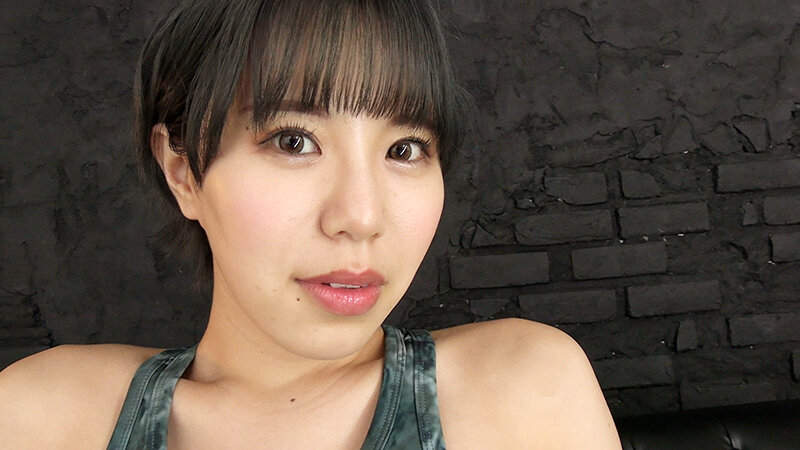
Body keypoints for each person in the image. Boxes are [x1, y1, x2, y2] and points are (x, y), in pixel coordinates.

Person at [0, 0, 621, 448]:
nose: (362, 217)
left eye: (405, 148)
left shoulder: (521, 393)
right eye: (294, 141)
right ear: (182, 170)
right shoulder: (44, 418)